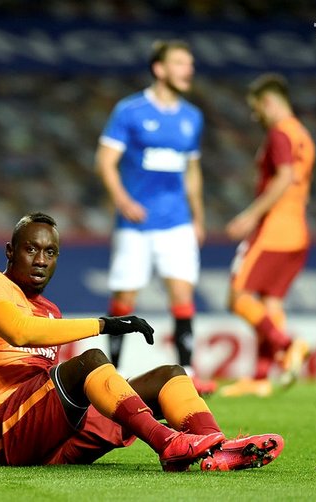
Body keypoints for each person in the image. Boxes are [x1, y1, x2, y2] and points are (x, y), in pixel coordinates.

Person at [0, 211, 284, 470]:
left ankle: (218, 446)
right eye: (31, 249)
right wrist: (104, 325)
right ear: (9, 251)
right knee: (89, 363)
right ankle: (167, 443)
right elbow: (20, 331)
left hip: (54, 440)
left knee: (169, 375)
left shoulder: (50, 311)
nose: (41, 260)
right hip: (2, 432)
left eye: (50, 252)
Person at [94, 40, 215, 395]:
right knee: (124, 300)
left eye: (189, 63)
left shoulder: (192, 117)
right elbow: (105, 161)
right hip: (136, 224)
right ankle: (110, 376)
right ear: (159, 69)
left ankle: (187, 372)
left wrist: (198, 216)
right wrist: (122, 200)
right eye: (180, 63)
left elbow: (192, 170)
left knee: (182, 294)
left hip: (176, 222)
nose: (188, 70)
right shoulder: (129, 111)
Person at [219, 74, 314, 398]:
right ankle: (261, 378)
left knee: (238, 297)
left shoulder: (279, 133)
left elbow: (285, 176)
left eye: (255, 107)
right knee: (270, 302)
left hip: (273, 229)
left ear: (269, 102)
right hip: (298, 231)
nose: (253, 115)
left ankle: (289, 345)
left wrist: (251, 214)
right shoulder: (303, 135)